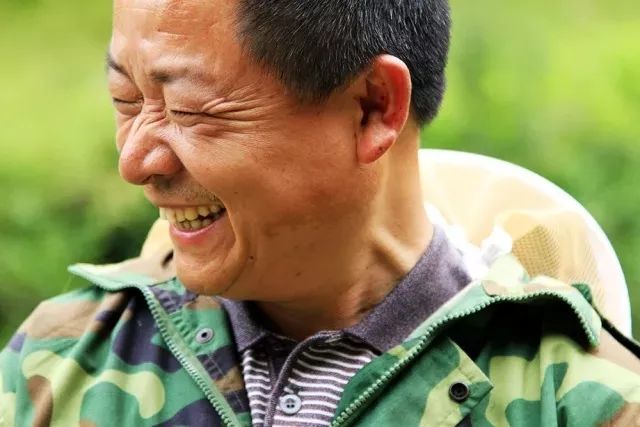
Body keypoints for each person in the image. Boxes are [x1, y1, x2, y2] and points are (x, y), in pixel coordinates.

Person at [1, 0, 639, 426]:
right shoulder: (60, 362)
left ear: (373, 108)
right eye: (125, 98)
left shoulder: (574, 400)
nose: (136, 161)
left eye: (189, 109)